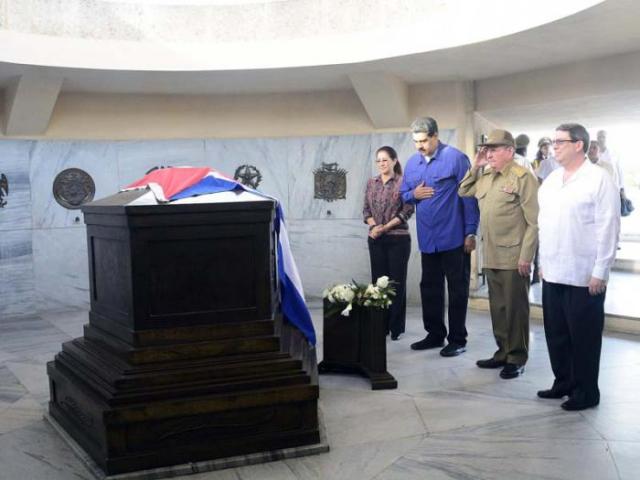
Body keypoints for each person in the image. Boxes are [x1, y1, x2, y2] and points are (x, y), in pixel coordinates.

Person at [537, 123, 620, 411]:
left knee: (583, 337)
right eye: (552, 141)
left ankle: (587, 392)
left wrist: (601, 271)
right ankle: (564, 382)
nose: (554, 146)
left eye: (560, 141)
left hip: (585, 274)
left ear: (579, 145)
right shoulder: (550, 181)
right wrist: (543, 263)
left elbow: (609, 227)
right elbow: (543, 226)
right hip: (554, 270)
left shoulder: (598, 179)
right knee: (556, 334)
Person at [459, 130, 539, 379]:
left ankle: (517, 356)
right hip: (491, 253)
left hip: (515, 256)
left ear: (510, 151)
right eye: (487, 148)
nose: (489, 153)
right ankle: (502, 351)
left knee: (516, 309)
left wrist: (526, 257)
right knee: (499, 307)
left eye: (494, 149)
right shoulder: (485, 175)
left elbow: (534, 222)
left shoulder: (522, 176)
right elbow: (463, 191)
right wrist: (475, 166)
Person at [400, 117, 479, 357]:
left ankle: (457, 339)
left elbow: (469, 196)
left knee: (457, 289)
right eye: (416, 141)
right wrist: (413, 193)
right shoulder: (412, 163)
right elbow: (403, 194)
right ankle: (434, 334)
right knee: (430, 288)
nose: (419, 146)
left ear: (435, 136)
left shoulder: (456, 158)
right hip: (428, 239)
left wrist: (470, 231)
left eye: (424, 140)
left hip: (454, 238)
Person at [363, 146, 414, 340]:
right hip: (376, 238)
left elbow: (407, 211)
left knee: (396, 283)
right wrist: (375, 227)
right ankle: (380, 325)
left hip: (398, 239)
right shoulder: (371, 183)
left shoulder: (403, 182)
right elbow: (366, 210)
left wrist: (385, 227)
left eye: (385, 160)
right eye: (378, 160)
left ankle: (395, 328)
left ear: (394, 161)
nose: (381, 164)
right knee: (378, 283)